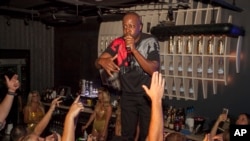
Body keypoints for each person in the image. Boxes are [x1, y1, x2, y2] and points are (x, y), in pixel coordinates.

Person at [95, 12, 160, 141]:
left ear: (140, 27)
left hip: (147, 95)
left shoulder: (150, 41)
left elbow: (153, 69)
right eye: (125, 26)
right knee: (126, 135)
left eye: (131, 26)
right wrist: (101, 61)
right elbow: (97, 62)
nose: (127, 30)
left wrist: (134, 50)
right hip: (128, 95)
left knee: (147, 135)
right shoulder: (118, 42)